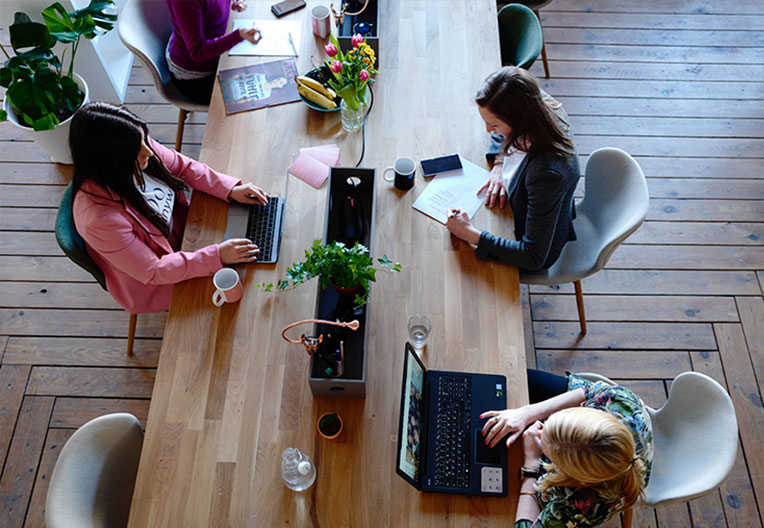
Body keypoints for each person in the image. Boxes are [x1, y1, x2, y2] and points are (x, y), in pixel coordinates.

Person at [70, 102, 269, 314]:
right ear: (111, 161)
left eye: (144, 139)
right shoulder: (99, 221)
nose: (149, 151)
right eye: (138, 150)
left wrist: (230, 189)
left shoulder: (135, 146)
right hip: (158, 279)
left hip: (188, 233)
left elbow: (184, 167)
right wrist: (216, 256)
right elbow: (154, 270)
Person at [446, 66, 580, 272]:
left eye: (494, 125)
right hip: (519, 206)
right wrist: (500, 163)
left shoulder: (547, 175)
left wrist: (470, 234)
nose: (488, 130)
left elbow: (533, 256)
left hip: (530, 244)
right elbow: (502, 133)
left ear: (520, 118)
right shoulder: (534, 102)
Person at [481, 371, 653, 527]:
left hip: (595, 490)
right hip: (616, 455)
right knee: (514, 378)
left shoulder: (580, 506)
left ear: (576, 477)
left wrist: (531, 464)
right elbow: (587, 390)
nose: (538, 430)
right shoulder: (620, 399)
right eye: (549, 422)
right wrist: (527, 413)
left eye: (547, 454)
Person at [166, 0, 261, 104]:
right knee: (253, 102)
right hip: (197, 79)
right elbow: (198, 52)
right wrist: (238, 36)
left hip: (218, 54)